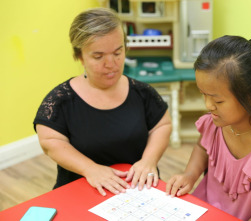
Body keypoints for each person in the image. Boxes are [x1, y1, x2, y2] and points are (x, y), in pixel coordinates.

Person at [33, 8, 172, 196]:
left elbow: (162, 125)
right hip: (81, 192)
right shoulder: (60, 101)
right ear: (79, 56)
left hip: (137, 191)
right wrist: (90, 169)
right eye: (98, 56)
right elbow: (50, 142)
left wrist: (149, 161)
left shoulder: (142, 93)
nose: (111, 64)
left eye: (117, 52)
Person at [166, 35, 251, 220]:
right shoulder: (214, 124)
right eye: (203, 95)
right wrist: (190, 175)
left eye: (217, 100)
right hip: (211, 213)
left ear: (250, 96)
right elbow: (202, 148)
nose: (208, 105)